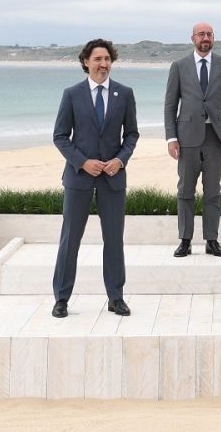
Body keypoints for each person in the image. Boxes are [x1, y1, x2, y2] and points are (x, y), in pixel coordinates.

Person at [50, 38, 140, 318]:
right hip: (79, 179)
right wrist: (82, 162)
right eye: (98, 59)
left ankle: (116, 297)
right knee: (70, 240)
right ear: (86, 62)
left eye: (107, 59)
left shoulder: (124, 94)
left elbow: (132, 134)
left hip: (113, 180)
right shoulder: (72, 94)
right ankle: (61, 299)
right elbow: (60, 136)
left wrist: (120, 160)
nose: (103, 64)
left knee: (114, 240)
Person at [165, 22, 221, 258]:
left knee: (213, 191)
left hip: (215, 137)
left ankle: (212, 240)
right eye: (201, 34)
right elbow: (170, 104)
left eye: (209, 34)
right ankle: (185, 240)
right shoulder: (179, 66)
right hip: (186, 137)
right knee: (185, 190)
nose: (205, 38)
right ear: (193, 38)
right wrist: (171, 137)